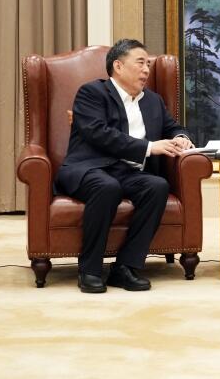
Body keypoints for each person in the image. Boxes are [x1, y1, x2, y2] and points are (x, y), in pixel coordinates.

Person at [55, 39, 194, 293]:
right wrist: (149, 147)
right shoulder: (92, 93)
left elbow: (173, 127)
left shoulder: (152, 101)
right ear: (118, 66)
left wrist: (181, 137)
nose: (146, 70)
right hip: (90, 168)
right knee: (107, 187)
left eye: (148, 64)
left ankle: (125, 267)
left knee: (157, 186)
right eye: (140, 63)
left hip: (128, 172)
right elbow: (100, 134)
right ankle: (90, 269)